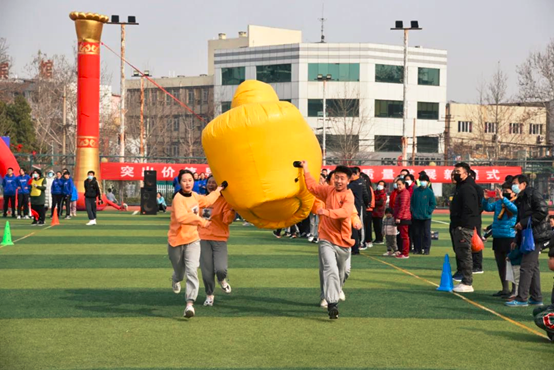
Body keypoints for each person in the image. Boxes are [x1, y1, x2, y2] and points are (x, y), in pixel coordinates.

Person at [168, 169, 224, 318]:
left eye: (190, 180)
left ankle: (189, 304)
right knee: (180, 273)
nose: (188, 183)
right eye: (185, 180)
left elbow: (207, 201)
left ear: (194, 182)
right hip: (176, 241)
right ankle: (175, 279)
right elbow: (181, 217)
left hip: (193, 239)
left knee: (192, 270)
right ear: (180, 182)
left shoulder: (195, 195)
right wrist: (201, 221)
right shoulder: (177, 198)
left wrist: (219, 189)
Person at [302, 161, 355, 319]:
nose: (339, 181)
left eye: (342, 178)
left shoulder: (348, 195)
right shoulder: (328, 191)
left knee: (344, 272)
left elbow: (346, 212)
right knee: (329, 269)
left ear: (348, 180)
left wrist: (327, 212)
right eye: (336, 177)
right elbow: (312, 187)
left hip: (344, 241)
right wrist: (305, 169)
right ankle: (332, 304)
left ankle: (335, 290)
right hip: (326, 238)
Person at [506, 174, 549, 307]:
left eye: (515, 183)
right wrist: (516, 238)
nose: (514, 186)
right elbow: (519, 219)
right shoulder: (521, 198)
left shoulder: (532, 194)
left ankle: (522, 298)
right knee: (533, 267)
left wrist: (524, 223)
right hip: (528, 234)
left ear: (523, 184)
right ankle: (536, 297)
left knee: (526, 267)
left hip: (535, 235)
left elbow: (542, 211)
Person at [199, 176, 236, 306]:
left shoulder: (225, 201)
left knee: (221, 269)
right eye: (209, 182)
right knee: (206, 271)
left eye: (214, 183)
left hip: (220, 238)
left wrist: (232, 210)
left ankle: (222, 279)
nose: (211, 185)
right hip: (203, 238)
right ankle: (209, 295)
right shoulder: (202, 200)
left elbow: (227, 220)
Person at [482, 183, 518, 298]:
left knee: (511, 265)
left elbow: (514, 210)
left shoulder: (515, 202)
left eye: (507, 191)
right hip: (498, 236)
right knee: (500, 264)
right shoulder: (498, 203)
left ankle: (514, 290)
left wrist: (503, 199)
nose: (504, 193)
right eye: (503, 190)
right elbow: (488, 208)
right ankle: (505, 289)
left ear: (514, 193)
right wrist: (485, 199)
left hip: (509, 236)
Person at [450, 162, 480, 293]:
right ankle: (464, 280)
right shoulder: (460, 187)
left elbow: (470, 208)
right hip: (459, 225)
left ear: (466, 173)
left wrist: (462, 224)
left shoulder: (467, 188)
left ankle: (467, 282)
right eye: (454, 172)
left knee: (465, 254)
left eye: (458, 172)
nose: (456, 175)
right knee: (461, 253)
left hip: (464, 227)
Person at [410, 174, 436, 255]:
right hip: (416, 216)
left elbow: (433, 204)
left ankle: (426, 249)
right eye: (421, 181)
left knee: (426, 233)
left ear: (428, 182)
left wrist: (428, 211)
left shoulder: (430, 192)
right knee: (417, 233)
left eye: (424, 181)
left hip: (426, 217)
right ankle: (417, 249)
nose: (423, 182)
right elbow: (412, 203)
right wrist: (413, 211)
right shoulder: (416, 191)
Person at [348, 167, 369, 254]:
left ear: (357, 174)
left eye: (353, 174)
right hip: (354, 207)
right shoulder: (358, 182)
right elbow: (366, 195)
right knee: (354, 228)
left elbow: (366, 195)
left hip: (357, 207)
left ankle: (361, 243)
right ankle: (355, 246)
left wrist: (366, 204)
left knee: (358, 226)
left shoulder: (356, 183)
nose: (351, 176)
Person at [469, 169, 485, 275]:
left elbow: (481, 205)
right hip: (464, 221)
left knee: (476, 243)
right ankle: (468, 265)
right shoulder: (461, 188)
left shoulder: (478, 189)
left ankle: (477, 265)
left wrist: (473, 215)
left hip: (474, 220)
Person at [393, 178, 411, 259]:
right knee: (402, 236)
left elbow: (402, 207)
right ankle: (403, 252)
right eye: (397, 184)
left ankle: (405, 253)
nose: (398, 186)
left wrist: (399, 217)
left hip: (404, 217)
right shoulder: (401, 193)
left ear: (404, 184)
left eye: (400, 184)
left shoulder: (404, 193)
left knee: (404, 236)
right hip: (402, 217)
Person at [372, 180, 387, 245]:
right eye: (379, 184)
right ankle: (377, 238)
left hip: (380, 212)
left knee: (379, 226)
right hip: (374, 212)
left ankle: (380, 239)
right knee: (375, 226)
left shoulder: (383, 194)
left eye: (382, 185)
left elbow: (381, 202)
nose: (380, 186)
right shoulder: (374, 192)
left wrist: (373, 202)